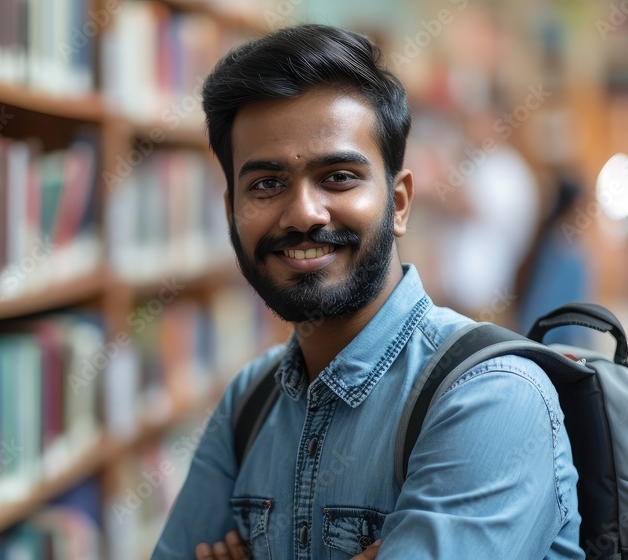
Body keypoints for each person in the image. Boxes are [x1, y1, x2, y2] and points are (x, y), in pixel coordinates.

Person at [150, 24, 582, 560]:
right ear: (230, 212)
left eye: (338, 177)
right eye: (265, 184)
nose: (304, 213)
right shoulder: (250, 402)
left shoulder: (490, 397)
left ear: (398, 203)